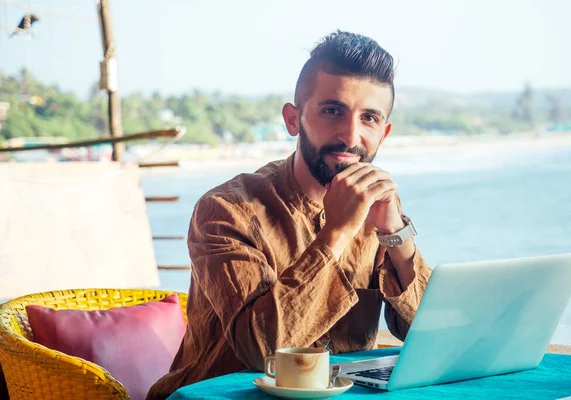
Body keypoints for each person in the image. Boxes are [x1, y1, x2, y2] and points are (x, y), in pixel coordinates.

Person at [147, 30, 431, 400]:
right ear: (293, 120)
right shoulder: (225, 210)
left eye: (369, 118)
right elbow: (263, 350)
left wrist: (396, 235)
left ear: (384, 133)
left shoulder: (378, 211)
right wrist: (338, 231)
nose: (350, 135)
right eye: (333, 111)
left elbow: (430, 335)